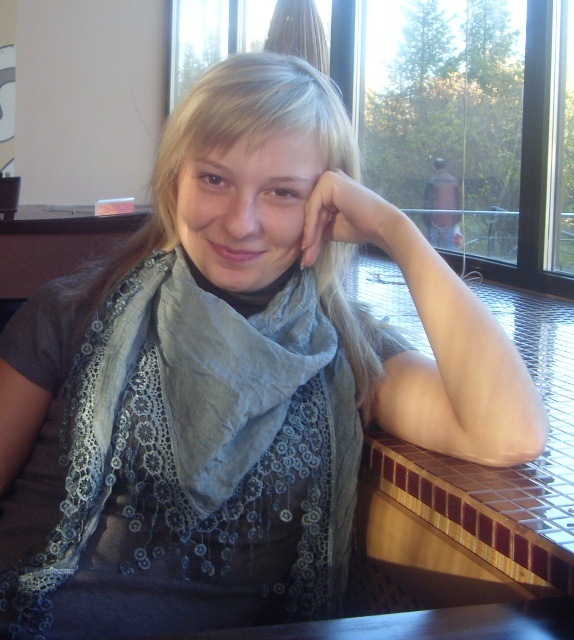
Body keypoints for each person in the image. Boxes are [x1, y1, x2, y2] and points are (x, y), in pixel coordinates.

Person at [0, 53, 549, 639]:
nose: (242, 222)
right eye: (214, 179)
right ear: (174, 180)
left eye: (283, 193)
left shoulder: (345, 348)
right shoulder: (71, 311)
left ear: (328, 206)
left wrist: (396, 231)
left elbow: (508, 434)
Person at [423, 158, 463, 250]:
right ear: (445, 167)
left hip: (434, 219)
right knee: (451, 248)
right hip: (451, 218)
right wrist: (458, 218)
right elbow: (459, 201)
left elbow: (428, 202)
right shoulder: (454, 181)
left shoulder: (432, 181)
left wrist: (427, 219)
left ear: (434, 167)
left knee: (433, 248)